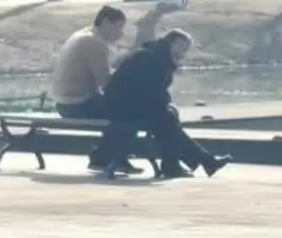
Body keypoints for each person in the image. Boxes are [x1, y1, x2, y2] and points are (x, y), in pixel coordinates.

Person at [98, 29, 229, 180]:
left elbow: (156, 91)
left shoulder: (157, 56)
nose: (183, 53)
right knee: (168, 120)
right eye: (182, 47)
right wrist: (166, 105)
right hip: (122, 107)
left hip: (130, 104)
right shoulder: (152, 59)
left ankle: (198, 162)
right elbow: (147, 90)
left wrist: (167, 103)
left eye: (186, 49)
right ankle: (178, 165)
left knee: (167, 120)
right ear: (171, 43)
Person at [50, 5, 134, 173]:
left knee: (122, 110)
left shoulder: (81, 35)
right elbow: (106, 83)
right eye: (118, 27)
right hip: (78, 104)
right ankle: (109, 158)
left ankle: (105, 156)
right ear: (105, 23)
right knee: (132, 112)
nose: (121, 34)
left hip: (63, 103)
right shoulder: (95, 43)